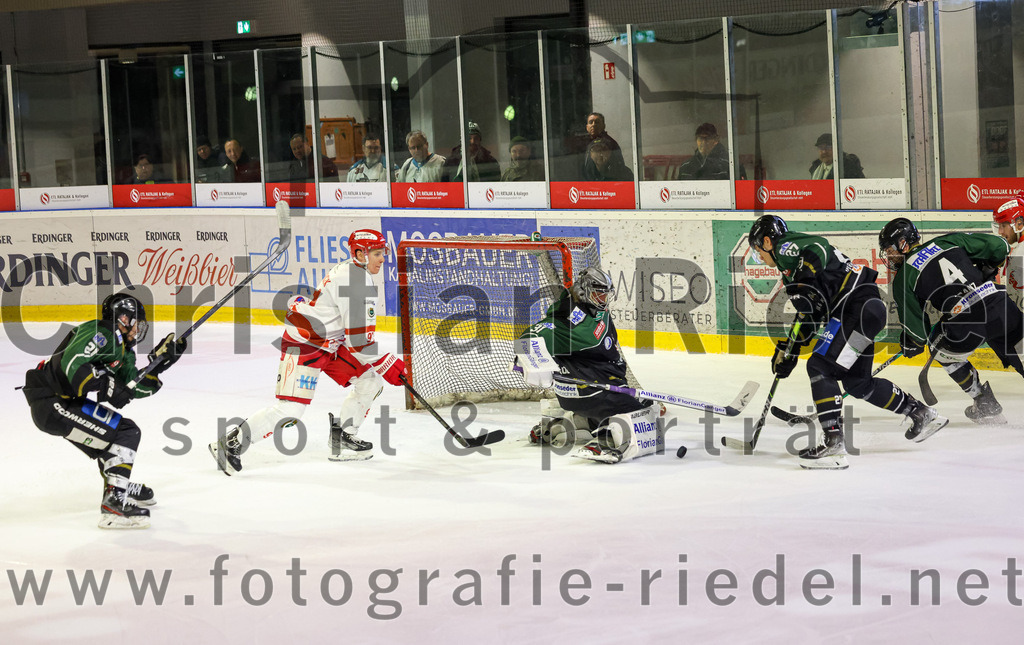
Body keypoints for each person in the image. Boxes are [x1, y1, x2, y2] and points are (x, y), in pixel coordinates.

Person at [749, 215, 947, 470]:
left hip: (856, 307)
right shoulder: (791, 274)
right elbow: (808, 317)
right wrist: (790, 351)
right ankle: (921, 413)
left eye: (758, 250)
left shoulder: (785, 247)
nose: (760, 257)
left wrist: (806, 278)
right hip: (865, 310)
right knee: (858, 383)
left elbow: (817, 247)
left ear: (767, 241)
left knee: (820, 367)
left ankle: (833, 444)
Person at [209, 229, 407, 474]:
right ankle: (231, 443)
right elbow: (358, 342)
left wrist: (380, 364)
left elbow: (355, 337)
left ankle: (343, 437)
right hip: (305, 344)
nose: (382, 259)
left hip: (331, 343)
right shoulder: (354, 281)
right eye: (377, 253)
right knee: (290, 411)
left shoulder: (356, 272)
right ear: (359, 253)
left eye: (382, 253)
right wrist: (387, 362)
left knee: (369, 381)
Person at [20, 292, 187, 529]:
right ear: (122, 318)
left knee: (116, 436)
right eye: (135, 322)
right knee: (126, 433)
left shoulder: (124, 352)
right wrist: (107, 385)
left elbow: (133, 388)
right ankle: (113, 504)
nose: (137, 330)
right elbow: (72, 363)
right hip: (52, 402)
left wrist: (157, 366)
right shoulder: (103, 332)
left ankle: (118, 487)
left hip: (63, 403)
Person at [879, 217, 1023, 426]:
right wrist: (987, 267)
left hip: (968, 322)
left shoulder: (903, 277)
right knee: (1021, 351)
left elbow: (918, 334)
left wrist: (910, 344)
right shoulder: (947, 241)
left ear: (903, 243)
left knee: (941, 351)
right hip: (1000, 304)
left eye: (890, 249)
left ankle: (984, 404)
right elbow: (1000, 246)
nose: (889, 255)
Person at [514, 268, 662, 464]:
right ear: (584, 291)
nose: (603, 298)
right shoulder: (577, 327)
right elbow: (533, 336)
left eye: (605, 293)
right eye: (598, 293)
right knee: (649, 419)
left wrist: (528, 357)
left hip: (570, 396)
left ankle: (565, 426)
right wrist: (530, 358)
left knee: (629, 405)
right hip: (596, 393)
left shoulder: (584, 313)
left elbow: (531, 335)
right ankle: (608, 439)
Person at [677, 123, 745, 181]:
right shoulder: (686, 166)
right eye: (700, 139)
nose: (703, 143)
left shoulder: (730, 165)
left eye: (707, 138)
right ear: (696, 140)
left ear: (716, 140)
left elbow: (742, 191)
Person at [992, 195, 1024, 311]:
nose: (1000, 232)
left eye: (1003, 226)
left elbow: (1015, 301)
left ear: (1019, 223)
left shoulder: (1019, 254)